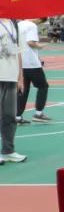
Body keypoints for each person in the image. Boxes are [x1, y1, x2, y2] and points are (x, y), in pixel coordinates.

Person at [0, 16, 27, 164]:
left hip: (11, 76)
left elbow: (18, 51)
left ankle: (8, 151)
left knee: (10, 115)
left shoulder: (14, 24)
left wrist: (20, 76)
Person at [15, 18, 50, 125]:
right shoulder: (32, 26)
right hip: (31, 63)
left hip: (20, 62)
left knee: (23, 90)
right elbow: (30, 42)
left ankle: (17, 117)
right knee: (43, 86)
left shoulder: (18, 24)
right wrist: (41, 46)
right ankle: (38, 114)